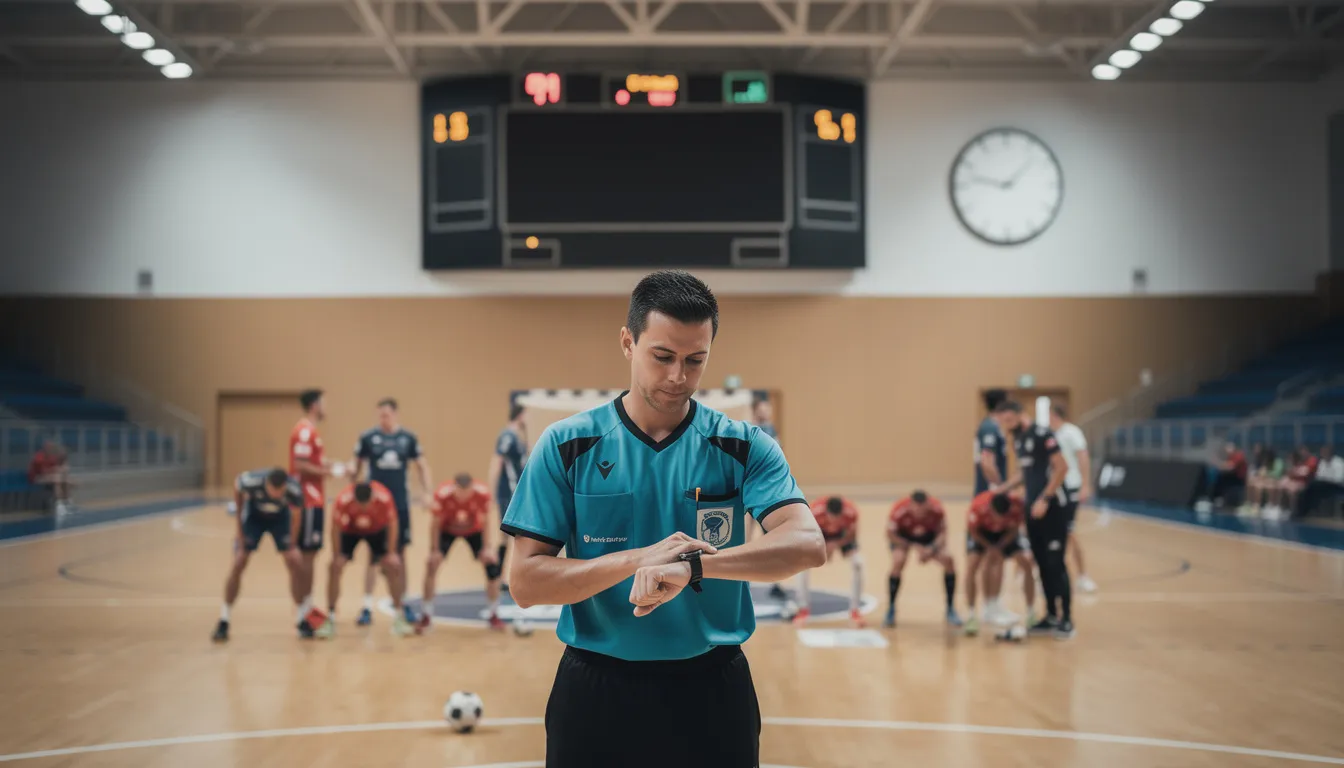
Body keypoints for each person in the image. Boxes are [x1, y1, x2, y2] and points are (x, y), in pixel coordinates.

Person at [500, 269, 826, 768]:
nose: (679, 376)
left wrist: (691, 568)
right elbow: (524, 582)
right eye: (663, 356)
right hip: (595, 690)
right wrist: (638, 560)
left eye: (696, 360)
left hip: (713, 690)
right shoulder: (568, 445)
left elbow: (807, 543)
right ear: (628, 343)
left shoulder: (742, 445)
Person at [993, 401, 1074, 639]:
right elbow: (1025, 473)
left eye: (1009, 420)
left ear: (1020, 415)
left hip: (1052, 508)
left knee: (1056, 563)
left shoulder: (1043, 434)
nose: (1006, 426)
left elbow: (1061, 468)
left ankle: (1066, 618)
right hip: (1032, 510)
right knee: (1041, 563)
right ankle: (1050, 616)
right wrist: (1004, 488)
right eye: (1003, 422)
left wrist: (1045, 498)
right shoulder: (1019, 440)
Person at [351, 397, 432, 626]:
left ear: (395, 414)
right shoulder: (368, 438)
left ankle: (403, 603)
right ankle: (366, 606)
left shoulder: (408, 438)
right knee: (373, 557)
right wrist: (351, 488)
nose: (382, 419)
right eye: (380, 415)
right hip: (373, 508)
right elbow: (355, 467)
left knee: (400, 555)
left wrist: (427, 492)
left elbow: (422, 466)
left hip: (400, 506)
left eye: (386, 415)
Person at [212, 467, 307, 642]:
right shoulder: (250, 481)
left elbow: (297, 517)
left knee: (295, 561)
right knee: (239, 561)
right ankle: (224, 619)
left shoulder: (294, 489)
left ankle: (301, 619)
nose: (276, 495)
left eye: (280, 492)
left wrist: (292, 543)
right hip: (254, 518)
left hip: (280, 519)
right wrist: (239, 532)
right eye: (273, 491)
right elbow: (237, 487)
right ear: (266, 485)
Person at [315, 481, 412, 638]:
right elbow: (335, 527)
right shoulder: (343, 499)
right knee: (334, 567)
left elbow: (393, 523)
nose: (364, 509)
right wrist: (337, 554)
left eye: (366, 505)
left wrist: (391, 552)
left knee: (393, 566)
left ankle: (399, 616)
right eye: (360, 505)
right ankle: (330, 617)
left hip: (377, 530)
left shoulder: (384, 497)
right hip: (351, 530)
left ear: (372, 497)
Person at [418, 473, 507, 632]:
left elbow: (486, 521)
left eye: (467, 492)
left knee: (492, 566)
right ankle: (426, 615)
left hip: (473, 530)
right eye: (460, 492)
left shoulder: (481, 493)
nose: (463, 496)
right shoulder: (443, 495)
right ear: (455, 488)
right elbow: (435, 524)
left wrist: (487, 548)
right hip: (448, 530)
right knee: (431, 565)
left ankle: (494, 614)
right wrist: (435, 550)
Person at [290, 388, 339, 638]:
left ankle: (306, 610)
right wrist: (324, 472)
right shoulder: (305, 431)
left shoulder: (311, 432)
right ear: (314, 405)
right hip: (307, 501)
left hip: (314, 499)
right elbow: (298, 465)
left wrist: (327, 466)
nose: (326, 406)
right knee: (305, 557)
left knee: (310, 556)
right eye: (324, 402)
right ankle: (304, 615)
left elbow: (309, 462)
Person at [884, 490, 960, 628]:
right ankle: (891, 609)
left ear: (928, 505)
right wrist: (914, 546)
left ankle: (950, 609)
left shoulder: (937, 509)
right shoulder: (899, 509)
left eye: (922, 509)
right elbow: (890, 534)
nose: (919, 512)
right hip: (905, 538)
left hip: (928, 538)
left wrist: (931, 549)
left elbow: (943, 533)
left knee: (949, 560)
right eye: (916, 509)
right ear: (910, 505)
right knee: (898, 561)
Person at [963, 490, 1035, 637]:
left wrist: (999, 547)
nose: (1000, 519)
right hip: (982, 533)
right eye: (997, 516)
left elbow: (1014, 529)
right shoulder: (978, 507)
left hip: (1005, 534)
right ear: (990, 509)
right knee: (972, 566)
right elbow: (974, 532)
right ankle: (971, 614)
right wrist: (989, 548)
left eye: (1003, 516)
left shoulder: (1016, 506)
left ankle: (1031, 612)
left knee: (1026, 564)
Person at [791, 495, 864, 628]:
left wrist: (835, 544)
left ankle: (855, 611)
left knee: (858, 563)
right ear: (826, 513)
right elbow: (806, 534)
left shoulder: (851, 512)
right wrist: (823, 547)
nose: (835, 522)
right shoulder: (813, 512)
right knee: (802, 565)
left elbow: (852, 535)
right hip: (818, 535)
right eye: (832, 518)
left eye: (838, 518)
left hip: (841, 537)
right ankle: (803, 610)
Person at [1049, 405, 1096, 593]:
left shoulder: (1071, 432)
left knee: (1068, 531)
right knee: (1053, 531)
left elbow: (1083, 456)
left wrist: (1085, 484)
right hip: (1058, 488)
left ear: (1054, 415)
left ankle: (1083, 575)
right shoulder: (1055, 435)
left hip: (1071, 487)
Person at [28, 440, 74, 514]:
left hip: (48, 476)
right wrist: (56, 470)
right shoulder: (39, 457)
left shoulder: (52, 457)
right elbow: (44, 472)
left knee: (66, 481)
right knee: (57, 479)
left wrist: (61, 469)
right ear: (45, 449)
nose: (51, 450)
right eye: (50, 448)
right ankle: (59, 505)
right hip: (36, 478)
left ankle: (67, 503)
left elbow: (60, 468)